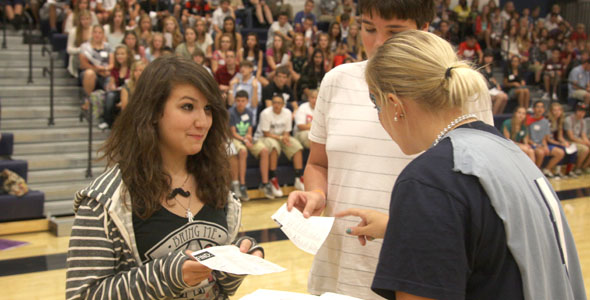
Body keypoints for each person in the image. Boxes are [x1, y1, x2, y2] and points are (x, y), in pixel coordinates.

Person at [336, 30, 586, 300]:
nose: (379, 117)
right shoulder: (507, 150)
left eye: (376, 103)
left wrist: (417, 216)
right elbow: (496, 246)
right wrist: (403, 227)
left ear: (395, 104)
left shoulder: (428, 181)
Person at [286, 1, 492, 298]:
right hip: (340, 269)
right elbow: (318, 164)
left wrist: (398, 229)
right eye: (369, 28)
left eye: (394, 31)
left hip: (418, 275)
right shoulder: (337, 81)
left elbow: (475, 193)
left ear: (424, 31)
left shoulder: (461, 88)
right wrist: (316, 194)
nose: (379, 42)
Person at [66, 55, 264, 300]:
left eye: (208, 109)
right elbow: (82, 295)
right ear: (153, 112)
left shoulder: (220, 189)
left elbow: (219, 288)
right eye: (187, 107)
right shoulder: (104, 201)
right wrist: (166, 276)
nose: (202, 122)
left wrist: (236, 262)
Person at [254, 94, 305, 195]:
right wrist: (281, 138)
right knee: (274, 147)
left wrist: (285, 137)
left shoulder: (287, 113)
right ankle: (273, 178)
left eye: (278, 103)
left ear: (283, 104)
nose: (276, 105)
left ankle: (298, 177)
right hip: (265, 137)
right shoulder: (265, 113)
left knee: (297, 146)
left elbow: (287, 130)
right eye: (274, 103)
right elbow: (266, 133)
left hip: (281, 136)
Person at [228, 90, 270, 200]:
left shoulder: (250, 112)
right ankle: (242, 185)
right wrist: (244, 140)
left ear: (247, 101)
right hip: (236, 138)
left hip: (246, 138)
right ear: (235, 101)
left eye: (243, 101)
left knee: (264, 150)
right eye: (238, 101)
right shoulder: (230, 113)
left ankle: (265, 183)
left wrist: (249, 137)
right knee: (243, 151)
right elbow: (233, 133)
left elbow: (250, 129)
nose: (240, 103)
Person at [527, 101, 565, 178]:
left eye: (542, 107)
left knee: (560, 152)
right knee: (541, 152)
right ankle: (535, 173)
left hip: (541, 144)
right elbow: (526, 138)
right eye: (538, 107)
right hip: (532, 144)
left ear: (544, 110)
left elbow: (544, 137)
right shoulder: (528, 120)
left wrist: (545, 146)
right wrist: (536, 145)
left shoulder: (545, 121)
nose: (540, 109)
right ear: (533, 109)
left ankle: (546, 170)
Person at [565, 102, 590, 175]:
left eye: (583, 112)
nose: (581, 113)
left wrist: (587, 142)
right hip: (568, 141)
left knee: (587, 146)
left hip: (578, 141)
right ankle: (577, 168)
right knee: (585, 149)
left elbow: (583, 135)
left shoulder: (583, 121)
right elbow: (571, 137)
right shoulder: (568, 119)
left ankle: (584, 167)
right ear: (576, 111)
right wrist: (584, 143)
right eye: (579, 111)